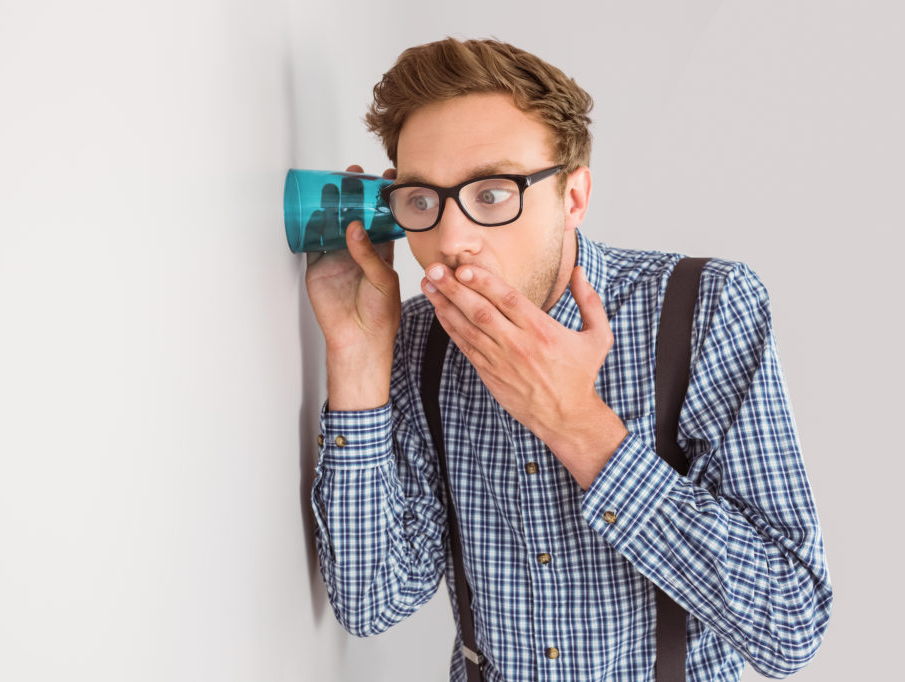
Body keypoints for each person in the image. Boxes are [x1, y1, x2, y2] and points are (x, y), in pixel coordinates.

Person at [305, 37, 832, 681]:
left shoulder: (705, 308)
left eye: (492, 193)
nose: (451, 240)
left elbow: (789, 626)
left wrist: (576, 424)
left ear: (573, 197)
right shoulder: (416, 339)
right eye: (422, 201)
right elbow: (372, 602)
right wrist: (357, 357)